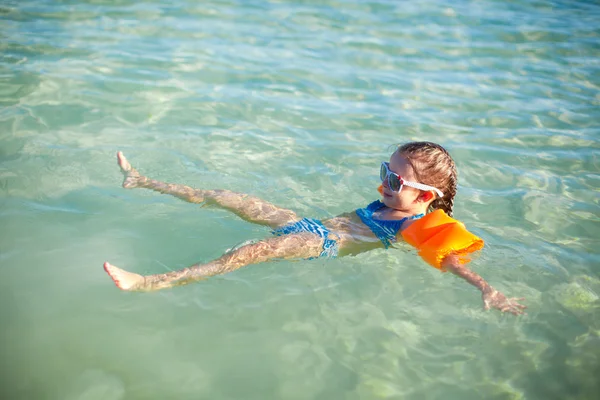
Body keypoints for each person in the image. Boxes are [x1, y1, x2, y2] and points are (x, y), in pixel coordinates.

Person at [104, 142, 526, 315]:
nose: (384, 184)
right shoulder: (390, 202)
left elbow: (449, 258)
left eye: (395, 181)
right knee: (226, 195)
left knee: (245, 252)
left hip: (322, 244)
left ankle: (149, 283)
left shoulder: (417, 224)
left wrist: (485, 287)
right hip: (307, 225)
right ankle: (141, 180)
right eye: (386, 171)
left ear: (426, 197)